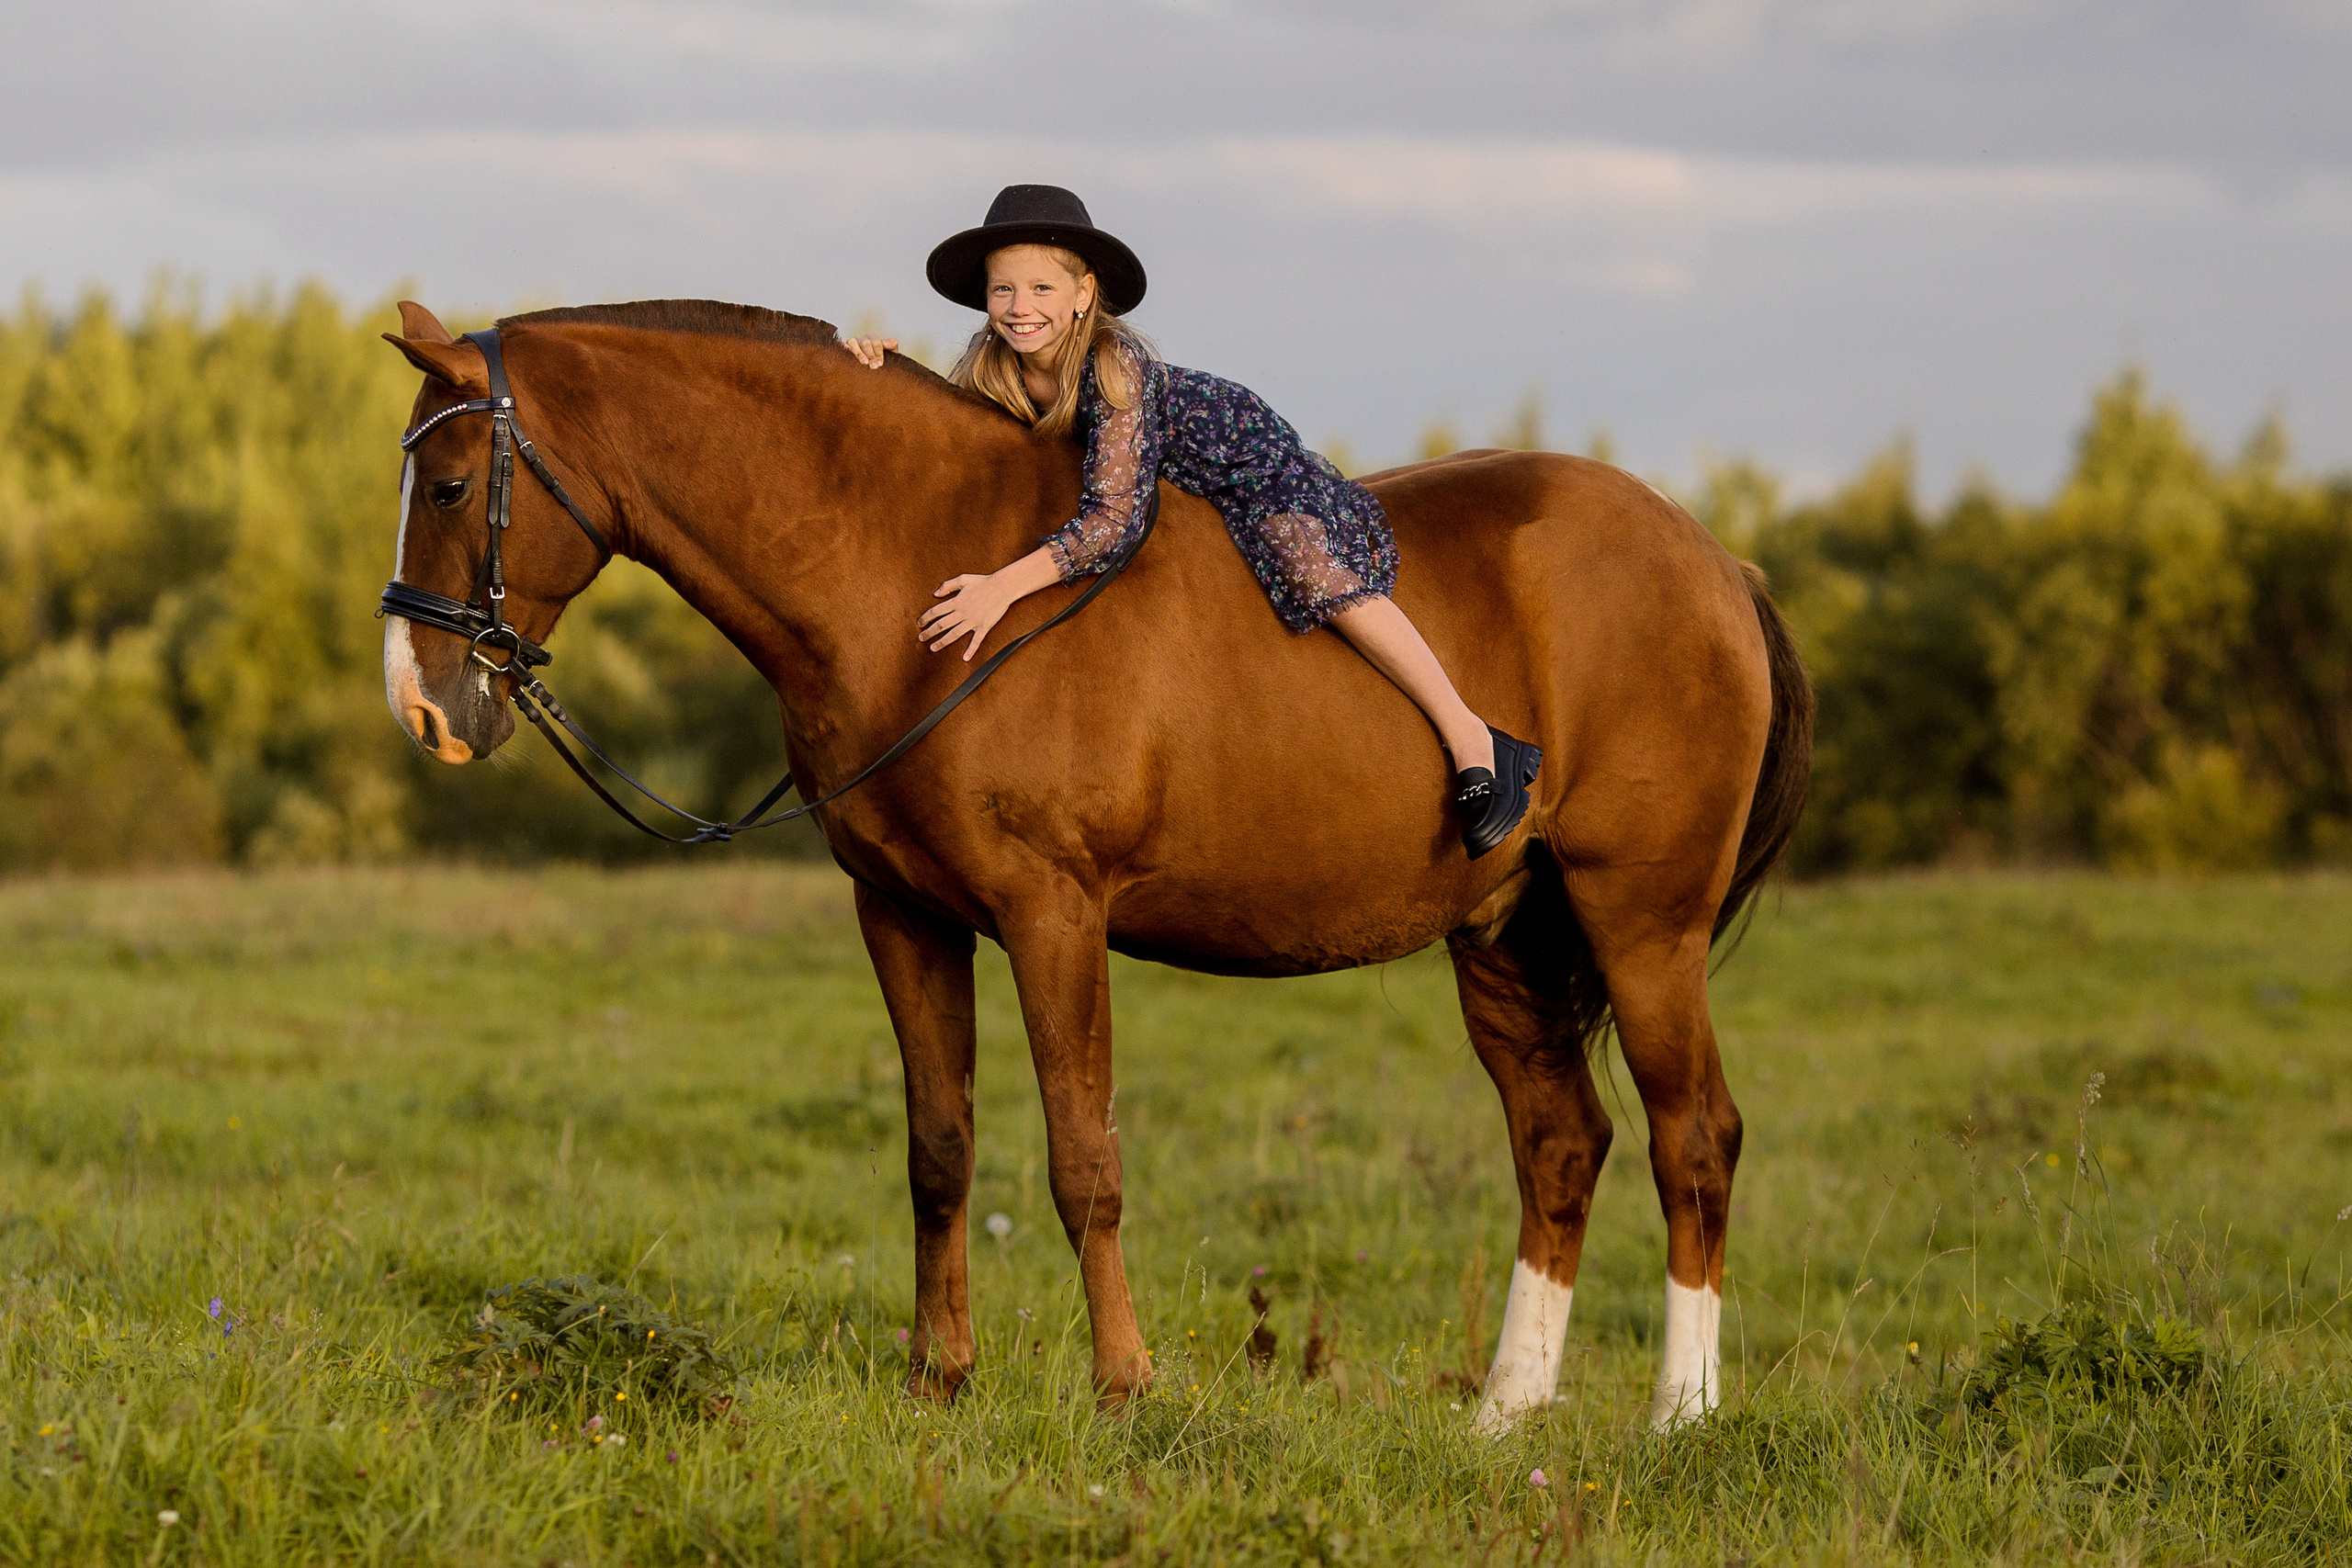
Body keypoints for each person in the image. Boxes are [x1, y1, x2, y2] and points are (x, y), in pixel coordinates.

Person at [845, 185, 1539, 859]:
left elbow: (1114, 518)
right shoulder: (993, 365)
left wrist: (1001, 587)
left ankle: (1471, 735)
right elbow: (951, 437)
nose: (1020, 308)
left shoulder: (1115, 366)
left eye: (1041, 289)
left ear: (1085, 292)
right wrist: (879, 370)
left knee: (1308, 565)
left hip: (1243, 460)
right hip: (1167, 483)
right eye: (1003, 291)